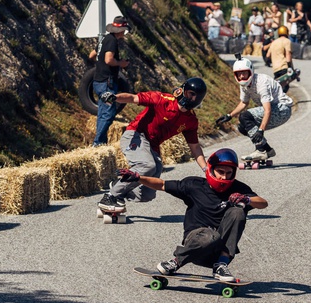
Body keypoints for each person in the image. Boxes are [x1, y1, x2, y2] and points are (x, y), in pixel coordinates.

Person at [118, 148, 268, 282]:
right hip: (196, 241)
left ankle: (221, 265)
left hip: (218, 249)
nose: (224, 177)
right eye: (220, 172)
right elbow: (162, 184)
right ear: (211, 169)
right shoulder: (194, 185)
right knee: (210, 235)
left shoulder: (238, 188)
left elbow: (263, 203)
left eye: (228, 173)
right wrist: (138, 178)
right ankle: (175, 262)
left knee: (238, 211)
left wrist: (247, 199)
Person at [96, 78, 209, 215]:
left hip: (152, 146)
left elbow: (195, 148)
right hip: (136, 135)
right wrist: (114, 97)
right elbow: (133, 98)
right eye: (191, 93)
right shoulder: (162, 99)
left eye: (196, 96)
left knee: (148, 193)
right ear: (183, 90)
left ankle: (118, 188)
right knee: (148, 165)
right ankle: (110, 197)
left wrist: (206, 168)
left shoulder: (191, 121)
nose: (192, 98)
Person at [216, 58, 293, 164]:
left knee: (245, 116)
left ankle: (260, 150)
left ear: (251, 71)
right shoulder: (244, 85)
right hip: (274, 110)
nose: (242, 76)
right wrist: (229, 115)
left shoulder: (261, 82)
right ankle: (268, 150)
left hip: (282, 109)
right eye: (239, 74)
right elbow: (244, 103)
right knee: (243, 127)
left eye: (244, 73)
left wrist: (261, 130)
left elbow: (268, 110)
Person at [92, 16, 132, 146]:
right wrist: (121, 63)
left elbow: (92, 54)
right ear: (120, 30)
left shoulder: (104, 39)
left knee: (103, 112)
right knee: (108, 113)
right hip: (107, 83)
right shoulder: (112, 41)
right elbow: (109, 59)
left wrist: (100, 66)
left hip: (98, 81)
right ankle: (97, 143)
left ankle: (100, 143)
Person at [265, 25, 299, 92]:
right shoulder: (287, 41)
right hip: (284, 67)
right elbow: (288, 54)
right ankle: (281, 101)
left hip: (275, 69)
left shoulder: (274, 42)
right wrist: (290, 67)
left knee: (278, 87)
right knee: (285, 87)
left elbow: (267, 56)